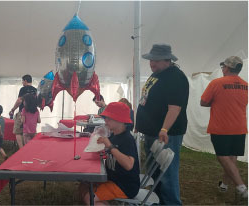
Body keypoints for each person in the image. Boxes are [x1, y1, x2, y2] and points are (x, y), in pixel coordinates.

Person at [135, 44, 189, 205]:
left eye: (156, 60)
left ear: (167, 60)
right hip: (152, 132)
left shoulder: (175, 77)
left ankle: (172, 202)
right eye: (151, 60)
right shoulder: (158, 74)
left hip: (166, 134)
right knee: (154, 172)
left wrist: (165, 129)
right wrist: (140, 123)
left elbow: (175, 108)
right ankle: (157, 201)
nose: (152, 63)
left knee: (167, 173)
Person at [200, 56, 248, 198]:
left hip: (221, 126)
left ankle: (242, 187)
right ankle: (225, 185)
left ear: (226, 68)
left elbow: (203, 102)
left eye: (223, 67)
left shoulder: (217, 83)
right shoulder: (246, 85)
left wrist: (215, 103)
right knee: (232, 158)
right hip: (239, 127)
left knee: (223, 157)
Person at [80, 102, 140, 205]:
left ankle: (97, 201)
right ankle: (102, 201)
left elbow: (129, 165)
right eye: (105, 118)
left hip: (125, 185)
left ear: (121, 120)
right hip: (112, 178)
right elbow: (109, 152)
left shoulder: (127, 139)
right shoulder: (113, 135)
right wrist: (98, 147)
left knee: (89, 199)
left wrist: (110, 147)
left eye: (109, 118)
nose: (105, 121)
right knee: (83, 185)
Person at [9, 74, 37, 149]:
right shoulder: (35, 90)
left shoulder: (23, 89)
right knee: (30, 132)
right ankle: (30, 148)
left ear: (25, 81)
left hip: (23, 113)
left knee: (18, 131)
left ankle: (22, 150)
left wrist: (13, 109)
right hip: (33, 114)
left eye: (22, 81)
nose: (22, 83)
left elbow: (19, 100)